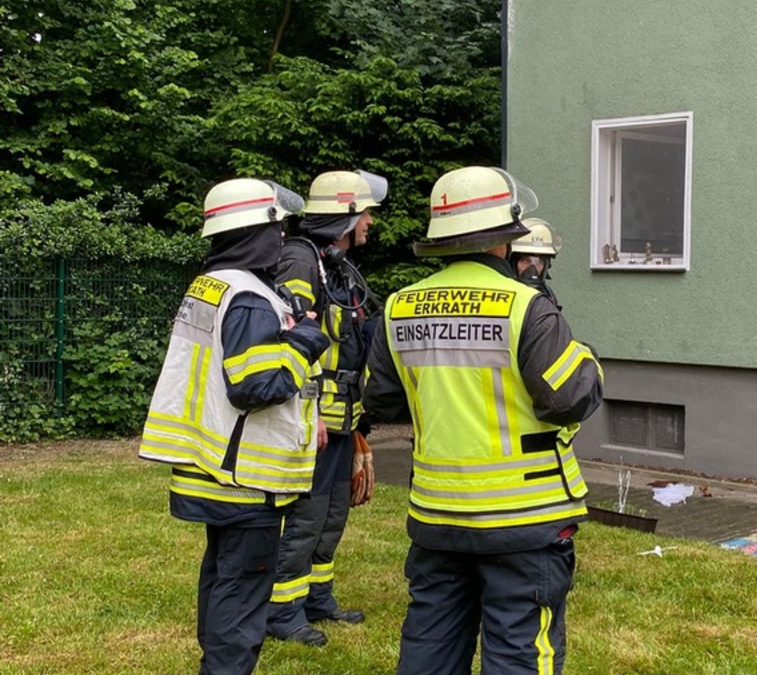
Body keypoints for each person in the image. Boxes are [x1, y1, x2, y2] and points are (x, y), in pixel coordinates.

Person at [362, 166, 604, 675]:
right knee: (519, 653)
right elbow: (569, 398)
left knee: (430, 646)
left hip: (437, 515)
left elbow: (382, 400)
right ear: (504, 237)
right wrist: (587, 359)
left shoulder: (399, 307)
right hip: (523, 519)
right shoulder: (528, 307)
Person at [138, 178, 329, 675]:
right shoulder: (248, 296)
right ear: (254, 232)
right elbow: (257, 386)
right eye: (277, 228)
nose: (283, 238)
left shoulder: (213, 283)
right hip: (244, 478)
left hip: (211, 466)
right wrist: (305, 340)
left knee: (223, 580)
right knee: (243, 593)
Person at [267, 170, 388, 647]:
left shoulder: (336, 266)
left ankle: (318, 598)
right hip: (313, 418)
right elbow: (290, 334)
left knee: (332, 514)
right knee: (306, 517)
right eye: (366, 213)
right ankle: (282, 610)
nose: (371, 223)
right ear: (346, 216)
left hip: (341, 417)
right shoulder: (301, 261)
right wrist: (310, 410)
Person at [507, 217, 563, 308]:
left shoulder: (547, 294)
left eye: (539, 261)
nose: (532, 268)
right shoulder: (503, 294)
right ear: (512, 262)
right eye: (525, 261)